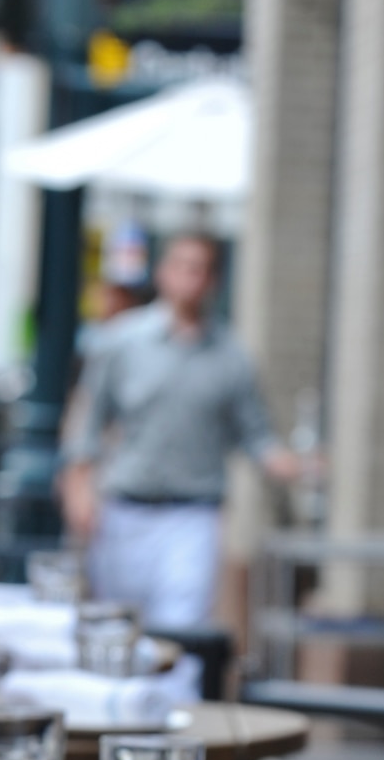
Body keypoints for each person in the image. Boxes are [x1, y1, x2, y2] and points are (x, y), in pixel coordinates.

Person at [60, 232, 310, 628]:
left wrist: (294, 464)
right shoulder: (121, 344)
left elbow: (256, 434)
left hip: (193, 514)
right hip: (126, 507)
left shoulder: (231, 357)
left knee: (182, 629)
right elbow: (86, 424)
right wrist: (78, 489)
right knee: (116, 627)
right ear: (163, 272)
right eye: (182, 266)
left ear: (213, 281)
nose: (189, 279)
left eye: (200, 270)